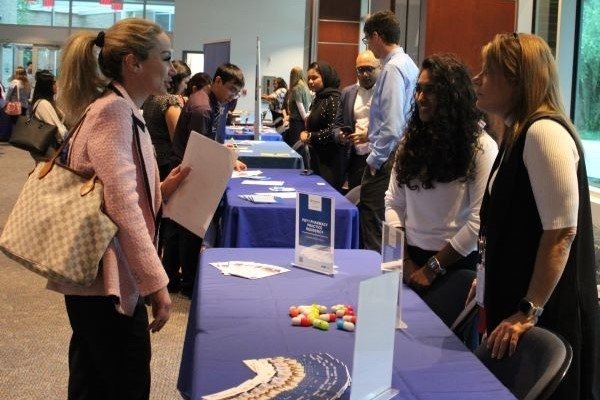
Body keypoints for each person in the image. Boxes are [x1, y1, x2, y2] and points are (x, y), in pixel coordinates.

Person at [51, 18, 190, 399]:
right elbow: (122, 207)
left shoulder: (119, 108)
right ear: (133, 62)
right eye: (164, 57)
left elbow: (118, 192)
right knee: (122, 382)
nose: (172, 68)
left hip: (97, 281)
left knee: (92, 378)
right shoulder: (114, 112)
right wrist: (157, 282)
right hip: (107, 281)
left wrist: (163, 188)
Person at [472, 33, 599, 399]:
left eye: (488, 71)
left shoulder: (544, 133)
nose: (478, 79)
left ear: (516, 79)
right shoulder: (517, 133)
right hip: (517, 303)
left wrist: (529, 309)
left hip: (545, 315)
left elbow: (562, 234)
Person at [384, 54, 498, 316]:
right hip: (408, 261)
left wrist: (433, 267)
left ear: (453, 96)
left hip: (456, 267)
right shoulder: (409, 143)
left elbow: (480, 222)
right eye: (419, 90)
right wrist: (405, 260)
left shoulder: (481, 148)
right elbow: (393, 202)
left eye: (431, 91)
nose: (421, 99)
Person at [166, 63, 246, 297]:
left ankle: (174, 279)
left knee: (179, 229)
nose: (233, 96)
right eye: (231, 89)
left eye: (236, 92)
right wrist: (225, 161)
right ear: (218, 81)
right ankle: (188, 285)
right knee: (187, 231)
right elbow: (200, 151)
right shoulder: (203, 107)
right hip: (187, 173)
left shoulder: (214, 102)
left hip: (189, 170)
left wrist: (228, 157)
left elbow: (210, 143)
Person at [359, 10, 419, 251]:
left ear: (376, 36)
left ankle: (373, 276)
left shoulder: (393, 68)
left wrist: (375, 160)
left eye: (367, 40)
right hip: (400, 151)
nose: (368, 45)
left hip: (388, 155)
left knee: (373, 218)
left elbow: (392, 126)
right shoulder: (408, 64)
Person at [335, 50, 380, 191]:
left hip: (378, 157)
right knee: (355, 200)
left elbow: (393, 126)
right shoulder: (347, 93)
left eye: (369, 69)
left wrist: (369, 136)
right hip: (354, 158)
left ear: (379, 68)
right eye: (361, 70)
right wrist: (340, 136)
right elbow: (337, 124)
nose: (365, 74)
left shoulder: (385, 93)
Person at [142, 60, 191, 180]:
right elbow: (177, 138)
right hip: (166, 162)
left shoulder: (152, 96)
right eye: (185, 82)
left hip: (154, 158)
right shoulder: (170, 101)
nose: (186, 86)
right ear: (176, 81)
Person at [299, 62, 344, 191]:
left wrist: (310, 136)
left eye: (314, 77)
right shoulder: (319, 98)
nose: (310, 81)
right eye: (309, 78)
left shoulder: (334, 99)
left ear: (326, 77)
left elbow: (333, 131)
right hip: (317, 157)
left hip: (330, 162)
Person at [30, 70, 68, 160]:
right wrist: (70, 140)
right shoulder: (44, 104)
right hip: (49, 147)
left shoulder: (46, 102)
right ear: (47, 87)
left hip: (48, 147)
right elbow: (56, 126)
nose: (56, 86)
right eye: (54, 84)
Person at [284, 66, 312, 148]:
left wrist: (305, 120)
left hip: (296, 122)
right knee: (301, 146)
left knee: (295, 146)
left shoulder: (296, 88)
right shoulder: (305, 87)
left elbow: (300, 107)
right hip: (303, 122)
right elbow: (309, 105)